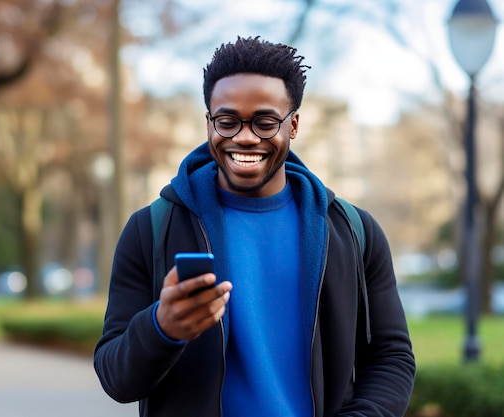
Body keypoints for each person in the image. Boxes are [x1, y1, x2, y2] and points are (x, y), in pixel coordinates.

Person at [94, 36, 415, 417]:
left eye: (264, 122)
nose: (244, 137)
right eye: (227, 121)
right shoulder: (150, 228)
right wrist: (161, 327)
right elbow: (115, 378)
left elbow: (392, 358)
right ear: (209, 123)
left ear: (293, 125)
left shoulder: (353, 232)